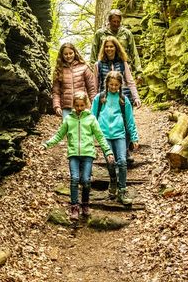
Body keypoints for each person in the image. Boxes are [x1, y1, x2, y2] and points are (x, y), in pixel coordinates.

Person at [43, 91, 113, 221]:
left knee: (86, 180)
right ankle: (74, 207)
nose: (79, 108)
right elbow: (59, 135)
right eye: (77, 106)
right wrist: (47, 144)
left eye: (82, 105)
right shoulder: (69, 119)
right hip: (73, 154)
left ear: (86, 105)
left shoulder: (91, 119)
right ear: (74, 105)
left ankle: (85, 204)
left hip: (88, 154)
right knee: (74, 179)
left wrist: (108, 151)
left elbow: (100, 137)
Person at [92, 70, 138, 205]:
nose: (113, 87)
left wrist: (134, 137)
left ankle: (122, 191)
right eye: (111, 84)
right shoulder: (99, 98)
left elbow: (130, 120)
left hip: (119, 134)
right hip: (104, 135)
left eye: (116, 85)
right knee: (111, 162)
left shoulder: (123, 100)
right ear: (107, 83)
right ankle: (113, 181)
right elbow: (92, 117)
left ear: (120, 85)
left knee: (122, 161)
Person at [51, 41, 97, 119]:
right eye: (65, 54)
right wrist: (57, 106)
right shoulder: (59, 70)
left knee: (83, 129)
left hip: (82, 105)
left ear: (75, 53)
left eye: (70, 53)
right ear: (62, 55)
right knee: (69, 130)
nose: (68, 56)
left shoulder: (84, 67)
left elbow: (92, 88)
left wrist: (95, 104)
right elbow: (56, 92)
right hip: (66, 107)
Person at [91, 9, 142, 79]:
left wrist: (138, 72)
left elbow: (134, 53)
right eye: (114, 21)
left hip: (123, 68)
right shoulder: (100, 34)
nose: (116, 24)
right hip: (105, 68)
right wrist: (93, 71)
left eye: (118, 22)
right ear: (109, 21)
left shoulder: (126, 33)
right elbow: (94, 54)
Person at [96, 37, 140, 108]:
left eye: (111, 46)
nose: (109, 49)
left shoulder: (123, 63)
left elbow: (130, 81)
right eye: (106, 47)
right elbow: (95, 85)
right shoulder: (98, 65)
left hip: (123, 98)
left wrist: (136, 97)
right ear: (103, 48)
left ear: (116, 48)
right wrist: (95, 101)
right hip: (105, 99)